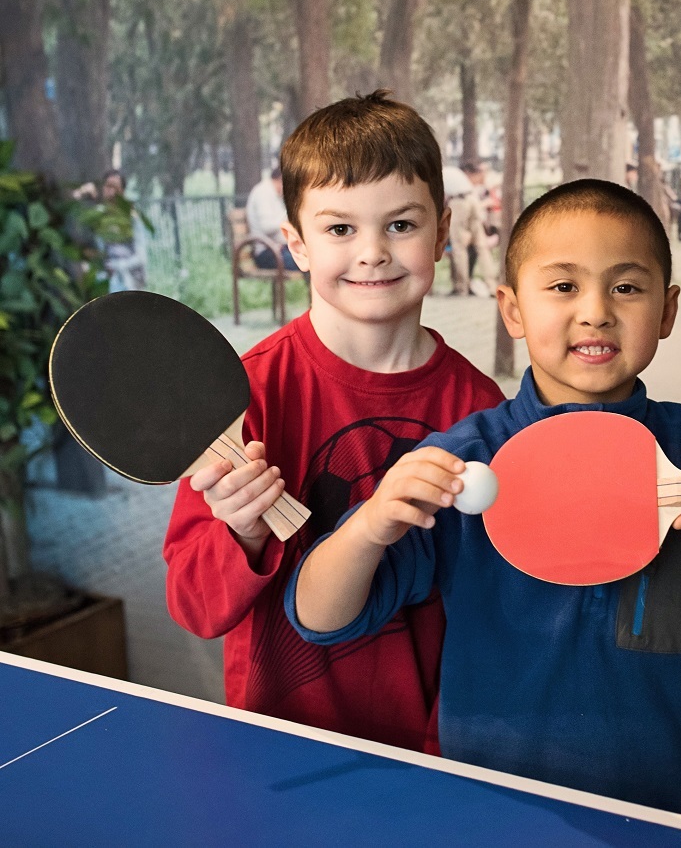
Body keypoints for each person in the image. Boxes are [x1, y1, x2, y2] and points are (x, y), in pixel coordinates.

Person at [287, 179, 681, 825]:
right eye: (563, 286)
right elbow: (317, 615)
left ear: (667, 310)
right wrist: (371, 524)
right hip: (496, 814)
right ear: (512, 310)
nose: (596, 311)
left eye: (626, 287)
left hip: (680, 815)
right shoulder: (463, 463)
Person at [163, 91, 505, 753]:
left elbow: (488, 602)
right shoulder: (247, 395)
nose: (372, 252)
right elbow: (195, 606)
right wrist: (243, 532)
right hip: (280, 742)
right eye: (340, 229)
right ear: (296, 244)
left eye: (400, 224)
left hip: (429, 752)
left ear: (442, 230)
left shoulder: (481, 404)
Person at [73, 169, 148, 291]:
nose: (111, 191)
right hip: (103, 283)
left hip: (129, 285)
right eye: (108, 186)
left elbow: (141, 257)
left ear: (122, 191)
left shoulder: (131, 217)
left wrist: (115, 265)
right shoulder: (97, 215)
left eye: (116, 187)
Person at [442, 162, 498, 297]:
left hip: (458, 203)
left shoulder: (439, 175)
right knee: (481, 247)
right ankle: (492, 286)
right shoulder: (452, 171)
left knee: (459, 247)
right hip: (473, 200)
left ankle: (462, 288)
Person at [245, 167, 300, 271]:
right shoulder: (263, 192)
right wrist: (287, 218)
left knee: (309, 257)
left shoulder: (273, 193)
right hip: (266, 252)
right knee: (305, 262)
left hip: (277, 248)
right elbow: (266, 226)